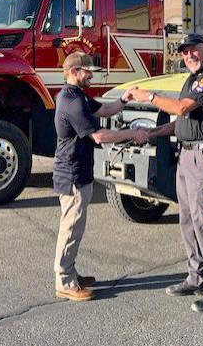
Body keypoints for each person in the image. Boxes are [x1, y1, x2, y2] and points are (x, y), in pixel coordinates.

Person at [129, 33, 203, 314]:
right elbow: (179, 122)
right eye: (184, 52)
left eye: (193, 50)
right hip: (187, 154)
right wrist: (153, 133)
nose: (189, 56)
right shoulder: (192, 79)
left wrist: (147, 96)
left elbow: (182, 108)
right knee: (188, 218)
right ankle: (196, 276)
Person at [53, 51, 148, 301]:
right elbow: (99, 136)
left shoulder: (79, 96)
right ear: (74, 72)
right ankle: (64, 281)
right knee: (71, 228)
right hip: (71, 174)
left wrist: (124, 99)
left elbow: (105, 110)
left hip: (79, 171)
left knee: (76, 227)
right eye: (88, 72)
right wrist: (131, 133)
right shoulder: (71, 102)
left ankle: (71, 273)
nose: (91, 76)